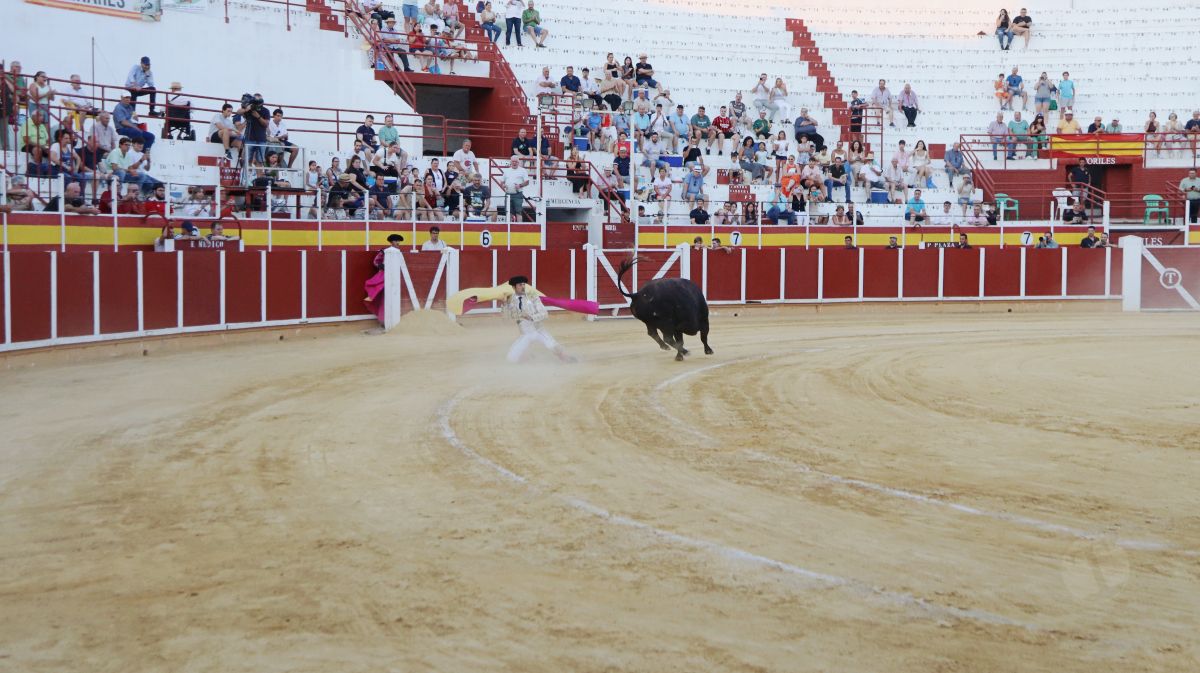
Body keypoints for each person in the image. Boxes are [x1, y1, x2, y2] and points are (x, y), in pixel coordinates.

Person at [503, 275, 572, 362]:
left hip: (538, 331)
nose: (523, 287)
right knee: (511, 358)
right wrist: (505, 304)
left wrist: (531, 317)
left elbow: (544, 314)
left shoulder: (533, 297)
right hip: (525, 334)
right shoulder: (511, 300)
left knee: (555, 348)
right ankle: (530, 357)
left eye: (523, 284)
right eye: (520, 285)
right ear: (514, 287)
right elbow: (506, 318)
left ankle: (567, 359)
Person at [501, 155, 530, 221]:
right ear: (510, 162)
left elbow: (527, 182)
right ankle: (509, 228)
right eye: (513, 161)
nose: (514, 163)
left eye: (516, 161)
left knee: (518, 212)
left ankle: (519, 229)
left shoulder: (523, 170)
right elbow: (502, 182)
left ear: (518, 162)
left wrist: (519, 185)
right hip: (508, 194)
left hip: (518, 194)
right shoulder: (506, 171)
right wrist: (503, 185)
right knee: (508, 212)